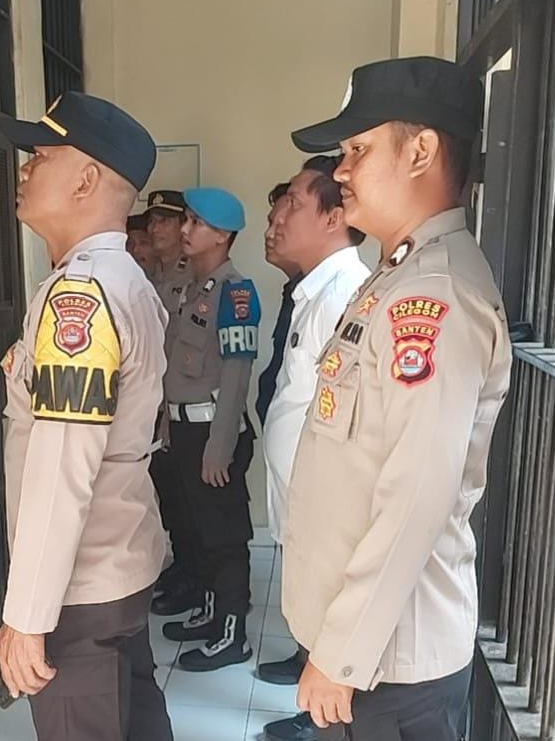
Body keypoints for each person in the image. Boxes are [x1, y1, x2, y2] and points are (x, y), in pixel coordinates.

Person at [277, 56, 511, 741]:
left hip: (389, 664)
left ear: (421, 151)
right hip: (370, 653)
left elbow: (417, 494)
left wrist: (342, 654)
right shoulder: (396, 275)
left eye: (357, 149)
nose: (341, 170)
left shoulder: (434, 295)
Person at [0, 92, 173, 741]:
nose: (24, 169)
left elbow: (62, 464)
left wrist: (28, 613)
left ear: (86, 179)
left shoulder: (82, 294)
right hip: (116, 564)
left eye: (40, 156)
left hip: (80, 586)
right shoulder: (120, 279)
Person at [257, 158, 369, 741]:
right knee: (311, 606)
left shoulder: (344, 294)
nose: (278, 216)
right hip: (302, 494)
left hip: (324, 503)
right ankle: (312, 686)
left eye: (294, 204)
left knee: (330, 610)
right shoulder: (317, 290)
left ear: (333, 217)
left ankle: (320, 716)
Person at [160, 187, 260, 672]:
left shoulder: (235, 292)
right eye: (186, 219)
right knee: (195, 529)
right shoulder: (186, 287)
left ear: (222, 236)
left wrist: (220, 447)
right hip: (183, 430)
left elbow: (237, 376)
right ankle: (209, 611)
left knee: (224, 536)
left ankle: (231, 634)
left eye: (197, 223)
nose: (186, 229)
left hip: (213, 433)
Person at [144, 189, 200, 617]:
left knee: (188, 500)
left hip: (181, 407)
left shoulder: (193, 275)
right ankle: (181, 568)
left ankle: (194, 580)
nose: (155, 228)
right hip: (153, 406)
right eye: (152, 220)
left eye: (165, 220)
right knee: (167, 496)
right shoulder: (150, 275)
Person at [254, 183, 301, 427]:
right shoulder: (294, 291)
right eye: (270, 223)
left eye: (281, 225)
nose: (269, 234)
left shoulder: (331, 295)